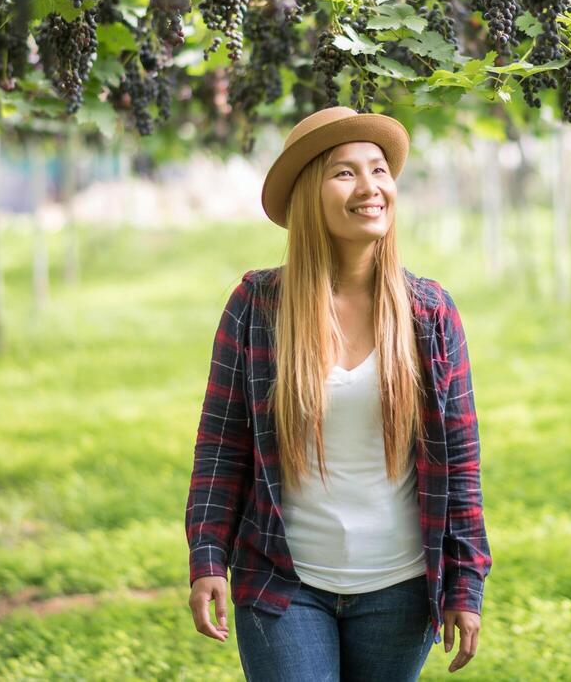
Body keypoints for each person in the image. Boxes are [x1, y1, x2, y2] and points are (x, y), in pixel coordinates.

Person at [185, 106, 492, 680]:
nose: (370, 187)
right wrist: (207, 555)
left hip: (400, 590)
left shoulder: (429, 313)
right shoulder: (258, 307)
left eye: (379, 169)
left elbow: (460, 458)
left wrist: (466, 582)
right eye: (345, 173)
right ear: (309, 194)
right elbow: (222, 445)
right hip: (283, 580)